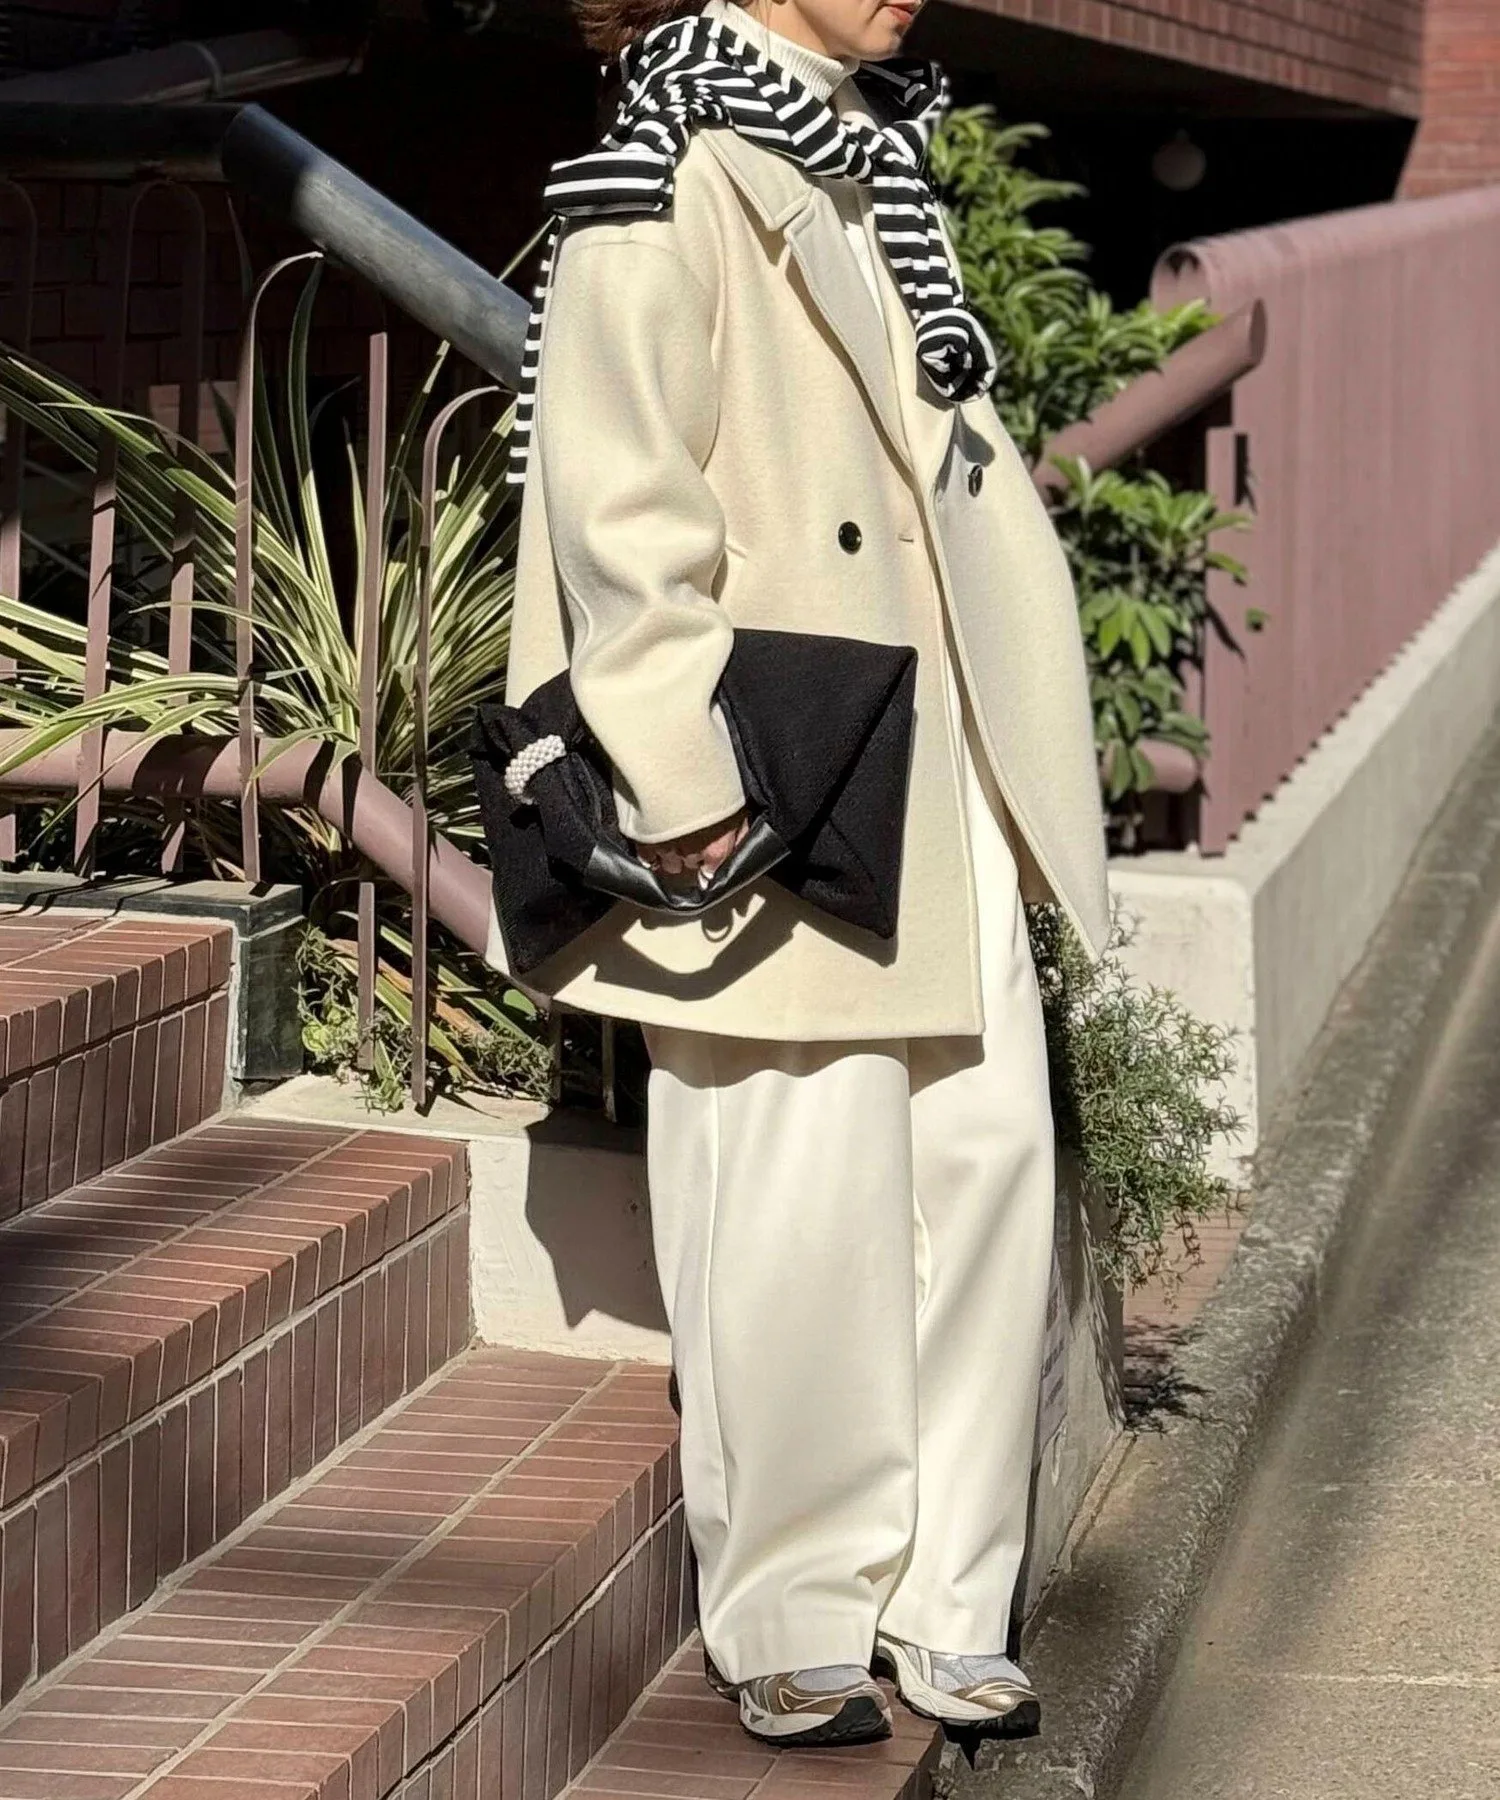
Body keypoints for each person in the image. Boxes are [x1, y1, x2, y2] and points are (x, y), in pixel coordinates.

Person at [496, 0, 1110, 1749]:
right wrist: (681, 778)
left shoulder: (866, 148)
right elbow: (617, 508)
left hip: (932, 744)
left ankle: (952, 1597)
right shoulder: (661, 165)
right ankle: (793, 1609)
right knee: (793, 1184)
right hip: (779, 754)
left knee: (984, 1159)